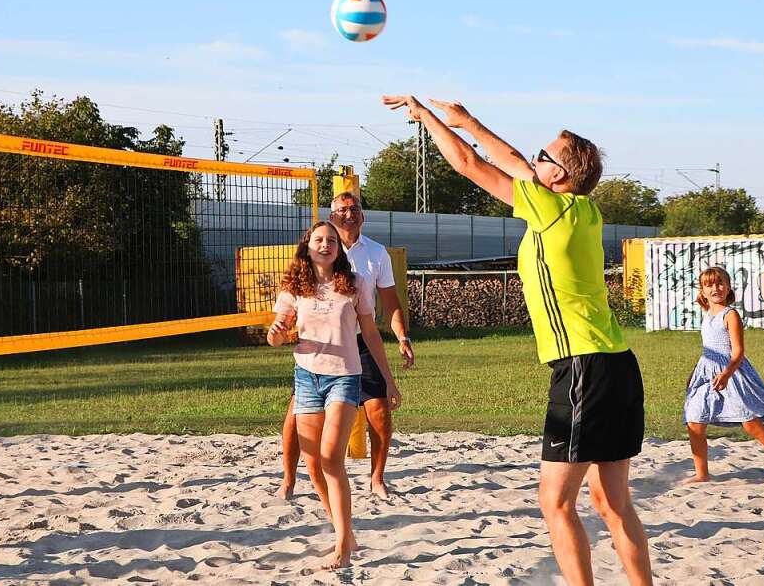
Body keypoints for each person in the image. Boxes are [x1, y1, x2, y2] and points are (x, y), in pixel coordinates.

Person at [383, 95, 653, 586]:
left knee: (555, 503)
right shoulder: (584, 210)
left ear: (559, 178)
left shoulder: (547, 210)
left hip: (582, 368)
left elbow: (469, 164)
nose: (536, 160)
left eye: (545, 157)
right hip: (617, 365)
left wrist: (427, 120)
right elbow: (511, 161)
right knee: (613, 504)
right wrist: (466, 120)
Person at [267, 221, 402, 570]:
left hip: (344, 376)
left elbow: (371, 334)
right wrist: (277, 332)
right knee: (313, 466)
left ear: (338, 249)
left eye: (330, 240)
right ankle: (346, 532)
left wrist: (388, 381)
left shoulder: (354, 284)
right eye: (318, 240)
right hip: (307, 376)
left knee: (330, 459)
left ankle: (342, 545)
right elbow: (277, 336)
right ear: (307, 247)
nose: (325, 245)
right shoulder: (295, 287)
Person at [278, 191, 412, 500]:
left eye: (354, 209)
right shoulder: (316, 250)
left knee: (379, 409)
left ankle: (376, 479)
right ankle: (288, 480)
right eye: (341, 210)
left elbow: (390, 302)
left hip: (360, 341)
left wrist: (402, 336)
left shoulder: (376, 253)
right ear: (332, 216)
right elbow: (294, 295)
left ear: (363, 215)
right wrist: (284, 328)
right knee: (295, 416)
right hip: (322, 344)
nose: (348, 214)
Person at [683, 266, 764, 483]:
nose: (715, 288)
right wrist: (693, 374)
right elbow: (707, 349)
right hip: (706, 374)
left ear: (728, 288)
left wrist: (727, 373)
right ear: (702, 291)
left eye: (720, 283)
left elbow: (737, 352)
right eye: (709, 285)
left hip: (731, 373)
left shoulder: (731, 315)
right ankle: (702, 474)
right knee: (694, 420)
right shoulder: (707, 315)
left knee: (750, 423)